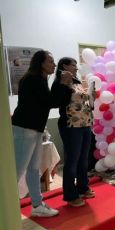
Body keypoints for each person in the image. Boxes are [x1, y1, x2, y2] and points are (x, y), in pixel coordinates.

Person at [12, 50, 72, 217]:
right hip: (25, 129)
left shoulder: (40, 79)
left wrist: (65, 85)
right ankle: (6, 208)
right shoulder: (33, 79)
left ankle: (37, 205)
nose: (54, 65)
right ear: (41, 63)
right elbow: (50, 102)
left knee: (33, 169)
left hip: (34, 129)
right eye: (50, 62)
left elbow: (56, 101)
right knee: (17, 170)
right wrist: (62, 83)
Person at [51, 57, 95, 207]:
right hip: (70, 126)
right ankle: (71, 195)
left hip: (85, 124)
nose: (76, 68)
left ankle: (83, 187)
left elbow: (84, 102)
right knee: (72, 161)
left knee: (84, 159)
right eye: (73, 65)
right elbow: (57, 102)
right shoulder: (59, 82)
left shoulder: (77, 81)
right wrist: (64, 84)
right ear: (65, 66)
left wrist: (91, 94)